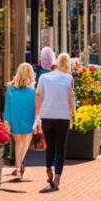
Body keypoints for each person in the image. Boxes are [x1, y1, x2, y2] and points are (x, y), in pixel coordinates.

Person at [35, 52, 75, 191]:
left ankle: (48, 169)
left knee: (50, 145)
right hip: (63, 116)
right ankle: (57, 179)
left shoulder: (43, 77)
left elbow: (38, 96)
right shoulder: (69, 78)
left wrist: (37, 116)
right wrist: (73, 114)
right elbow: (71, 98)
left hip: (47, 115)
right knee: (60, 147)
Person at [3, 63, 36, 181]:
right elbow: (35, 107)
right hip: (28, 120)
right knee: (24, 144)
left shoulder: (10, 88)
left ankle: (18, 168)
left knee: (18, 144)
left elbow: (7, 106)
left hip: (14, 119)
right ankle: (19, 167)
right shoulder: (32, 89)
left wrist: (6, 121)